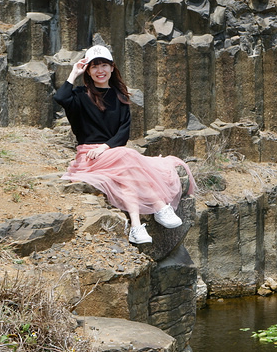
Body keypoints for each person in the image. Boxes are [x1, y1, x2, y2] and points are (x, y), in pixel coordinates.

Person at [53, 44, 195, 244]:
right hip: (89, 156)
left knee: (127, 168)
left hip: (112, 152)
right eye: (94, 66)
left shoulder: (120, 96)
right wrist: (74, 72)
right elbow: (60, 97)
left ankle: (136, 227)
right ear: (88, 70)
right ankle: (160, 206)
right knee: (128, 158)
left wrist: (106, 147)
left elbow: (123, 133)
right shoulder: (79, 95)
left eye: (104, 65)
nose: (100, 71)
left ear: (112, 68)